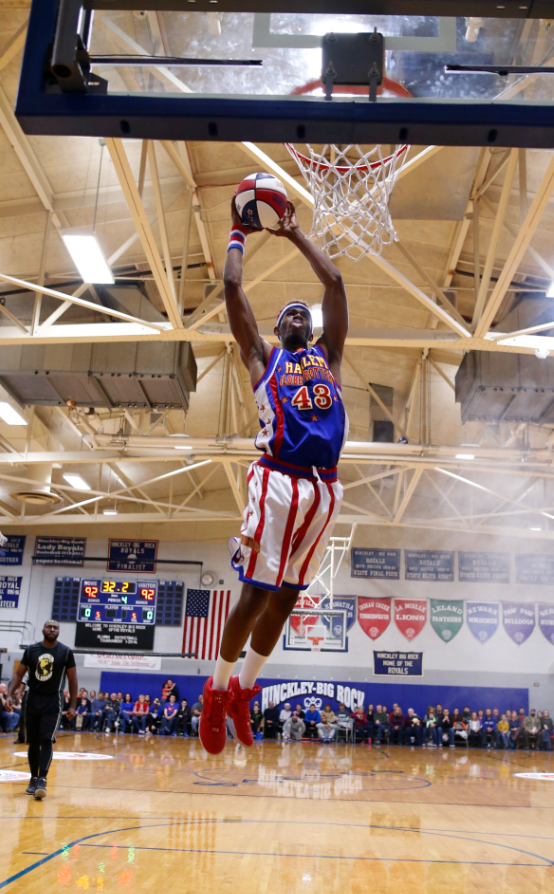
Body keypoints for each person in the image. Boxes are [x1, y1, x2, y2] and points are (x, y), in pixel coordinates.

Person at [200, 198, 350, 755]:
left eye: (302, 316)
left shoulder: (329, 357)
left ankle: (244, 690)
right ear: (276, 327)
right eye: (288, 314)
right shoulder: (263, 358)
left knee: (286, 600)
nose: (297, 318)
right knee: (254, 595)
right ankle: (215, 693)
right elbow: (234, 291)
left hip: (325, 489)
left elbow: (333, 281)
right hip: (278, 479)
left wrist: (295, 234)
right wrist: (238, 231)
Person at [8, 620, 78, 801]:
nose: (52, 630)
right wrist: (9, 694)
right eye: (49, 627)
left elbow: (72, 679)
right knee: (32, 742)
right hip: (32, 699)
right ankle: (33, 778)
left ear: (59, 631)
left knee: (46, 739)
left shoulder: (65, 651)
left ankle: (42, 780)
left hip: (53, 701)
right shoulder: (31, 650)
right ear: (43, 630)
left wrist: (73, 705)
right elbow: (19, 674)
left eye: (56, 628)